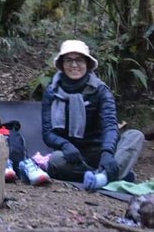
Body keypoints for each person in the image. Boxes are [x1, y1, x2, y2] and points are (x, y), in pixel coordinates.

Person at [42, 40, 145, 190]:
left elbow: (109, 125)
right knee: (55, 162)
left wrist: (107, 152)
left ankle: (102, 177)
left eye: (79, 60)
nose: (74, 65)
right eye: (69, 60)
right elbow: (47, 132)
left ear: (88, 64)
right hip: (75, 155)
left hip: (101, 150)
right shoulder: (52, 92)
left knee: (135, 136)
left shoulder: (101, 90)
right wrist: (65, 144)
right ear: (62, 64)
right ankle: (111, 175)